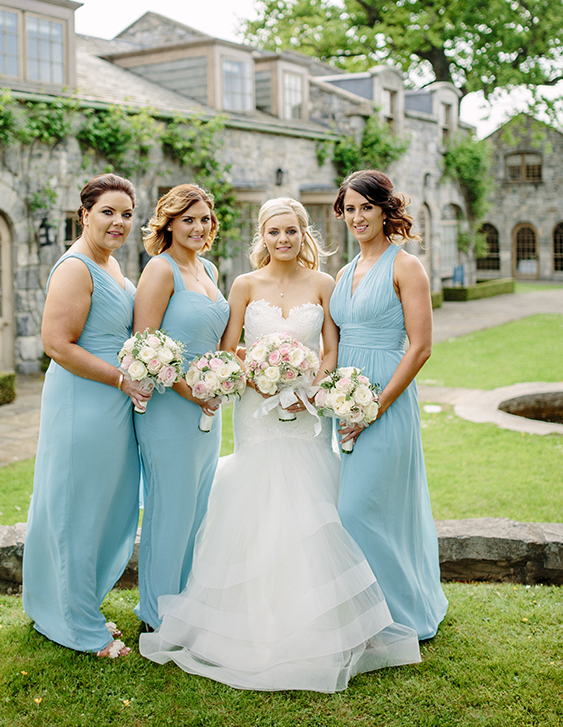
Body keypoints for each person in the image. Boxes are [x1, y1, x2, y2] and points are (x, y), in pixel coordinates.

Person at [139, 197, 421, 692]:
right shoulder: (245, 285)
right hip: (257, 409)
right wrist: (259, 377)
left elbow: (330, 348)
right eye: (273, 233)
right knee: (256, 498)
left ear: (303, 233)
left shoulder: (324, 283)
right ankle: (248, 619)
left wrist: (310, 390)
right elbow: (229, 349)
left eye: (291, 231)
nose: (283, 240)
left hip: (306, 412)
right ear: (261, 238)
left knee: (310, 501)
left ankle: (317, 619)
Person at [23, 173, 147, 658]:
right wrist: (121, 378)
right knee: (76, 509)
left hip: (112, 404)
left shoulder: (112, 266)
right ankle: (75, 624)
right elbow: (56, 344)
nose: (118, 222)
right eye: (108, 212)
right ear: (85, 215)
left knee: (102, 509)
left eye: (126, 214)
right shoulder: (76, 267)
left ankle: (75, 603)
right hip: (83, 403)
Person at [330, 169, 448, 640]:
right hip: (345, 402)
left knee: (363, 509)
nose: (357, 217)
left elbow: (420, 347)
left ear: (385, 211)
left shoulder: (406, 266)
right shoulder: (342, 272)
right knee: (356, 509)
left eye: (367, 208)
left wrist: (374, 406)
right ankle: (367, 612)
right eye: (350, 209)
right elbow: (332, 347)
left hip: (386, 401)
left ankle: (403, 615)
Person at [133, 184, 229, 633]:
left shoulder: (208, 268)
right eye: (188, 218)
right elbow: (144, 348)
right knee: (170, 508)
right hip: (171, 408)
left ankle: (186, 601)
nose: (197, 226)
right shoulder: (160, 269)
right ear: (169, 222)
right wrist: (194, 391)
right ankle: (156, 613)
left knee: (198, 507)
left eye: (204, 218)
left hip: (209, 408)